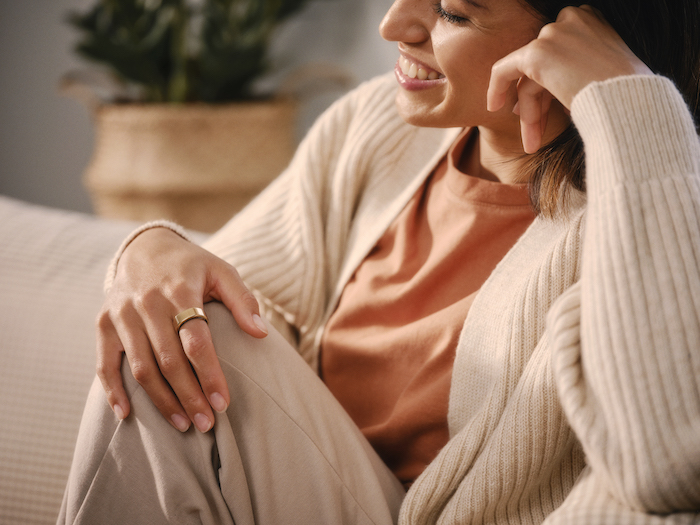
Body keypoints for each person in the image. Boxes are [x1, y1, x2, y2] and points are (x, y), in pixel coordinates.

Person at [59, 0, 700, 523]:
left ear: (581, 37)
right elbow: (209, 282)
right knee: (178, 337)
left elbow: (669, 462)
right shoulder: (377, 129)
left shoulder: (654, 208)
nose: (393, 25)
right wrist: (149, 246)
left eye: (452, 12)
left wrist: (630, 108)